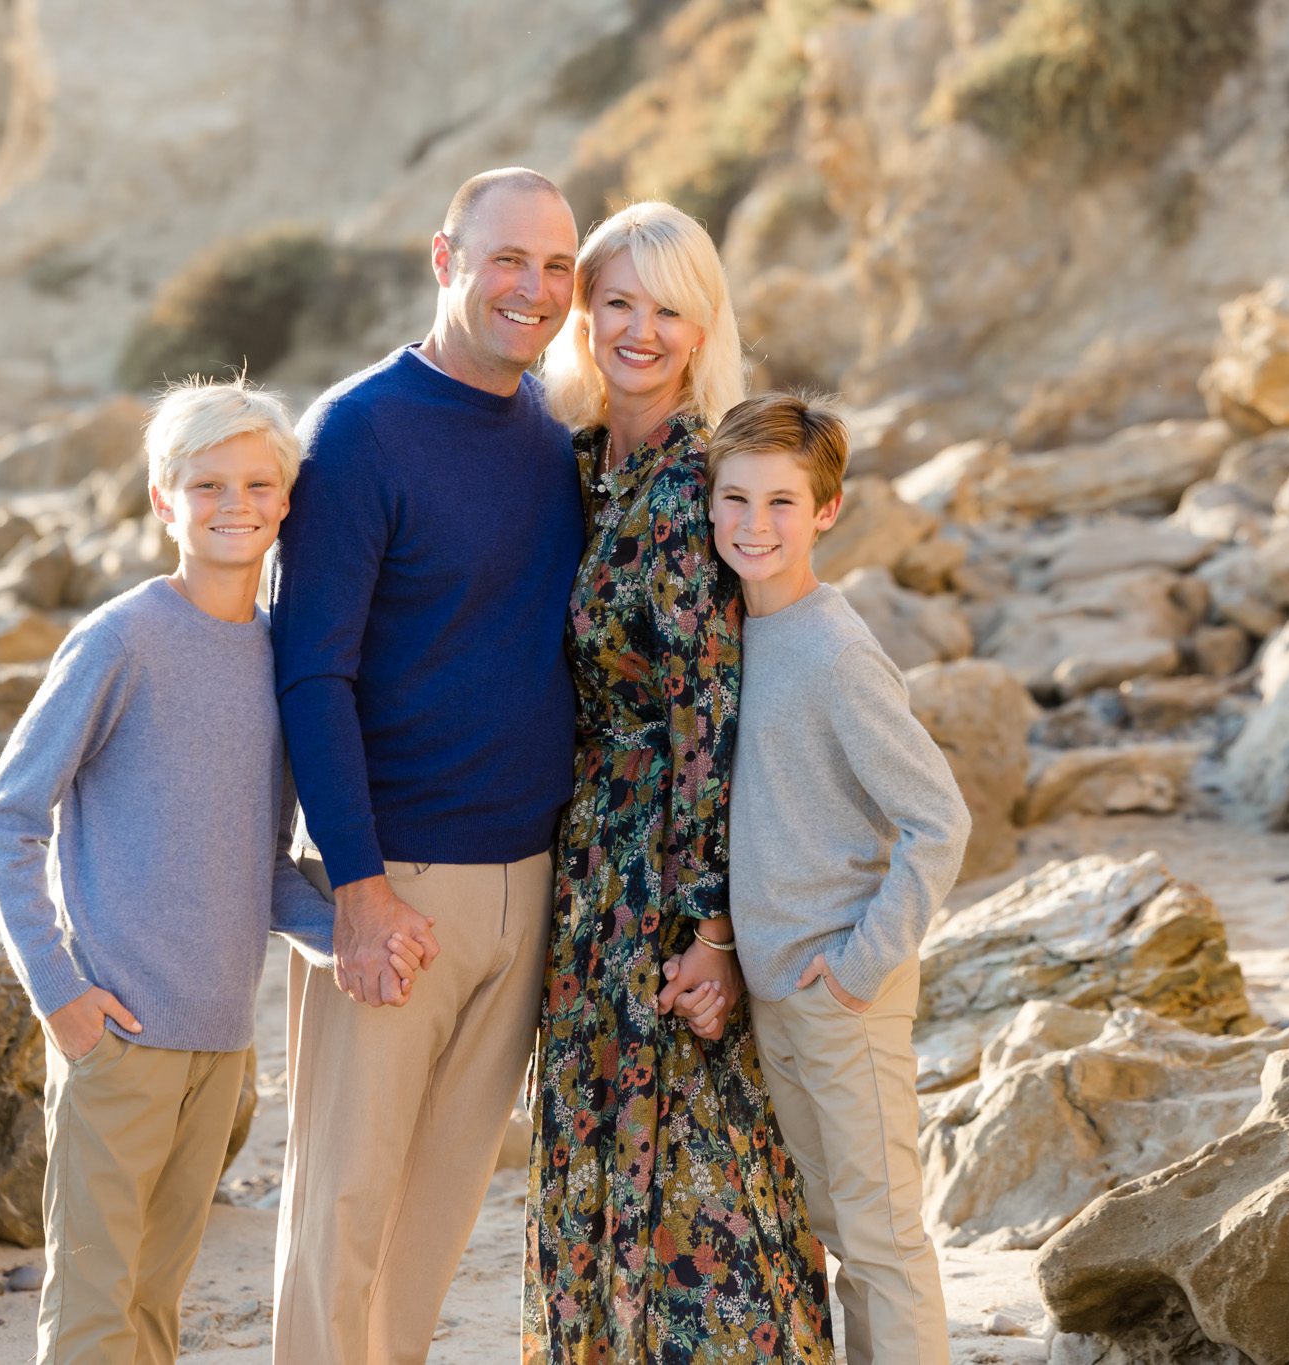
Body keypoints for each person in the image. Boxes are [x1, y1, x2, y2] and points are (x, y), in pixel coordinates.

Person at [268, 167, 587, 1364]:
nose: (533, 289)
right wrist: (354, 887)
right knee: (343, 1210)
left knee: (440, 1215)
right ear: (445, 259)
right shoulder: (359, 431)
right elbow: (311, 674)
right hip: (396, 884)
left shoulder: (551, 432)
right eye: (508, 259)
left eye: (555, 267)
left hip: (530, 884)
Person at [523, 202, 833, 1363]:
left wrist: (714, 934)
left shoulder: (695, 483)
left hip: (668, 876)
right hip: (586, 874)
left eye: (668, 309)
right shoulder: (579, 465)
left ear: (703, 329)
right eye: (616, 302)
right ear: (583, 313)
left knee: (699, 1176)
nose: (639, 331)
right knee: (598, 1151)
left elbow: (711, 719)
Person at [0, 377, 339, 1364]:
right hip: (117, 1036)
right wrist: (60, 994)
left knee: (155, 1303)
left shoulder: (280, 658)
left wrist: (351, 936)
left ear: (285, 503)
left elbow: (259, 864)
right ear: (161, 501)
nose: (234, 504)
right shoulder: (121, 639)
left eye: (256, 484)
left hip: (223, 1044)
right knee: (94, 1311)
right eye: (206, 484)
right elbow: (8, 817)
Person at [707, 393, 973, 1365]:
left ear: (826, 511)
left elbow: (939, 820)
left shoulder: (835, 650)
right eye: (735, 498)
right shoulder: (738, 633)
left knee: (882, 1238)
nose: (754, 525)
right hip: (780, 987)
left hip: (843, 988)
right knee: (833, 1229)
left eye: (781, 502)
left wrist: (860, 966)